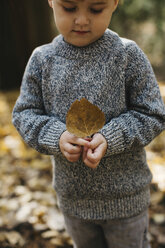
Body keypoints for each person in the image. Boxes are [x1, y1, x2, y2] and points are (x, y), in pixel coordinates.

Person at [12, 0, 165, 247]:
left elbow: (152, 113)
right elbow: (24, 113)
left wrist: (111, 137)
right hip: (73, 200)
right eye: (69, 8)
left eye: (96, 9)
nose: (82, 20)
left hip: (125, 200)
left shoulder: (127, 55)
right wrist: (57, 136)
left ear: (115, 3)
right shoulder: (42, 60)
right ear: (51, 2)